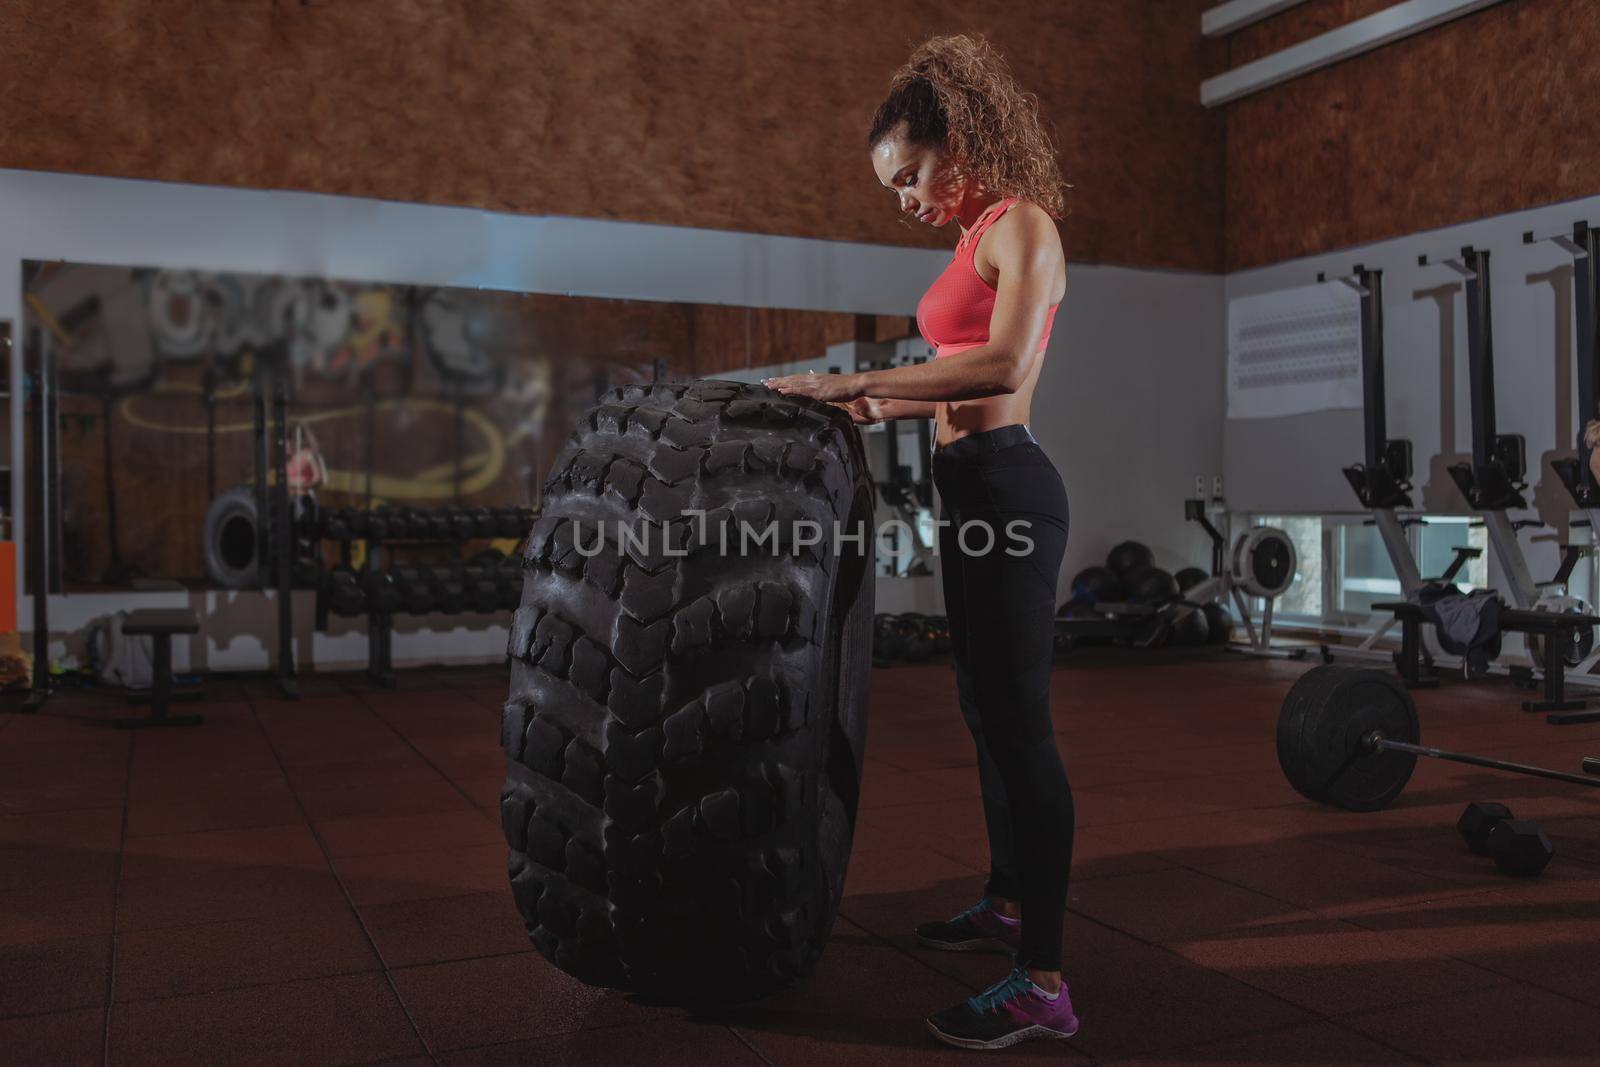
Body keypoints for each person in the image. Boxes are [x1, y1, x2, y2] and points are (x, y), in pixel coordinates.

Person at [763, 33, 1077, 1051]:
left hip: (1010, 486)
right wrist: (881, 409)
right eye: (892, 187)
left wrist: (858, 381)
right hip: (962, 482)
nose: (903, 198)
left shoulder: (1023, 225)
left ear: (957, 140)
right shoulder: (967, 235)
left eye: (909, 175)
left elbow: (1000, 366)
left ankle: (1044, 982)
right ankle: (1007, 900)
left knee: (1021, 724)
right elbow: (949, 378)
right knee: (982, 707)